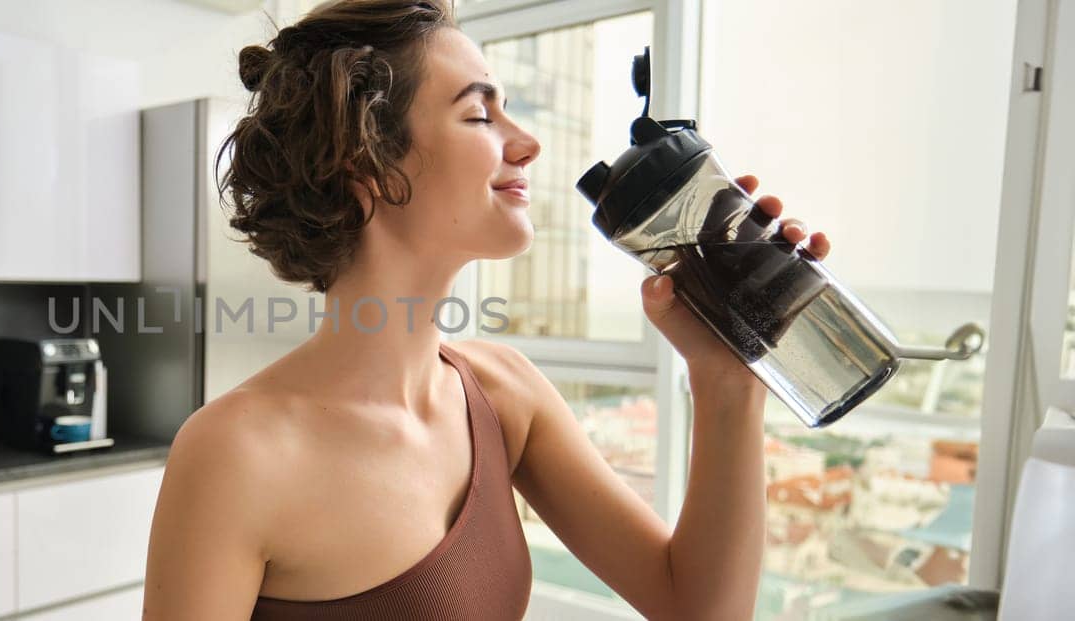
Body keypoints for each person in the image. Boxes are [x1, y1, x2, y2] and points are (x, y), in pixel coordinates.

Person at [143, 1, 830, 618]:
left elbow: (699, 607)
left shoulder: (504, 394)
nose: (526, 143)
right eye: (479, 114)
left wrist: (727, 381)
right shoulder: (235, 454)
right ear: (370, 167)